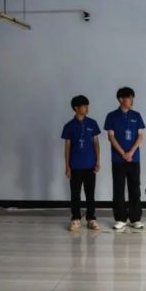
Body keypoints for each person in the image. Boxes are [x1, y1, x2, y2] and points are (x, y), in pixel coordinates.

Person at [104, 87, 146, 230]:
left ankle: (135, 219)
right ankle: (120, 218)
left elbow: (140, 136)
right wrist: (123, 153)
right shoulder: (111, 116)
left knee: (135, 188)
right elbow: (111, 137)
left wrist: (131, 152)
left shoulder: (136, 115)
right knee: (118, 188)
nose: (132, 100)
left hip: (134, 159)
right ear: (121, 99)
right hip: (118, 159)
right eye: (129, 98)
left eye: (132, 98)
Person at [61, 95, 101, 231]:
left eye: (87, 105)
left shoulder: (92, 123)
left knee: (90, 193)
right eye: (84, 106)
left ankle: (91, 218)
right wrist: (67, 166)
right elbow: (67, 147)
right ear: (76, 108)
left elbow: (96, 143)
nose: (87, 108)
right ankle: (75, 218)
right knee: (75, 194)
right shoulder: (69, 126)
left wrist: (98, 161)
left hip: (90, 165)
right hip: (75, 166)